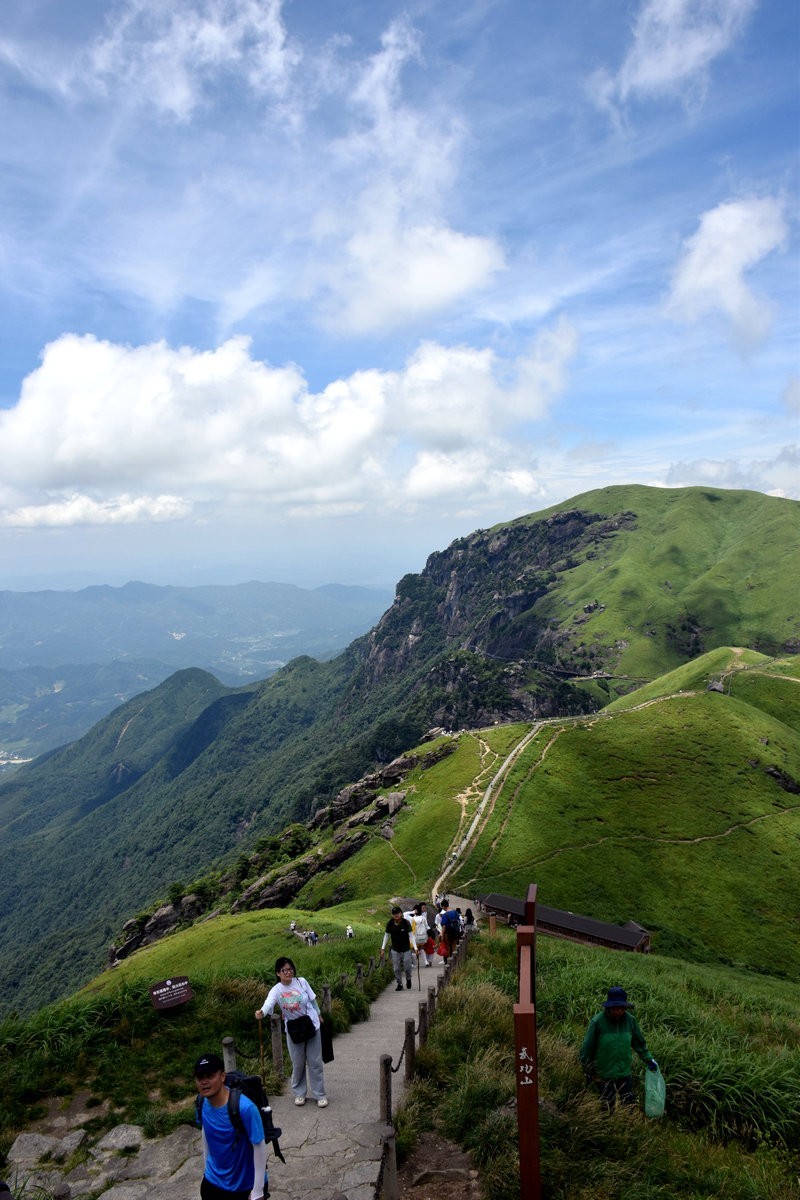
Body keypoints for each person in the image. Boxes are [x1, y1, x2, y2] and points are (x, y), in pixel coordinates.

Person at [255, 958, 328, 1108]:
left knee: (315, 1062)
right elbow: (269, 1003)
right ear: (278, 973)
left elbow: (313, 1000)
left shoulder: (301, 981)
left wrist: (319, 1014)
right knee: (298, 1063)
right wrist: (262, 1011)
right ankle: (299, 1094)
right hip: (294, 1030)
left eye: (290, 969)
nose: (288, 972)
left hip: (311, 1024)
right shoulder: (277, 990)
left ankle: (319, 1095)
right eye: (284, 970)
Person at [194, 1052, 267, 1200]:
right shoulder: (201, 1102)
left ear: (222, 1076)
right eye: (200, 1077)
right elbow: (206, 1131)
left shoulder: (244, 1108)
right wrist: (207, 1170)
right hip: (213, 1183)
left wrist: (258, 1190)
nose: (204, 1081)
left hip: (243, 1187)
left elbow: (259, 1145)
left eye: (210, 1076)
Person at [580, 986, 658, 1109]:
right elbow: (587, 1048)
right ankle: (606, 1125)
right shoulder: (598, 1022)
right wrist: (589, 1070)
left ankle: (626, 1126)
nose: (618, 1011)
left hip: (624, 1072)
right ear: (609, 1007)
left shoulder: (630, 1021)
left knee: (629, 1104)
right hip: (603, 1072)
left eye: (621, 1008)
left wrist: (649, 1060)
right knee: (608, 1104)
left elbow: (639, 1043)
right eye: (615, 1008)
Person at [379, 905, 418, 989]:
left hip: (406, 948)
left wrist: (415, 948)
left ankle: (408, 979)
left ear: (401, 914)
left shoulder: (406, 923)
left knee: (407, 966)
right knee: (396, 968)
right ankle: (399, 984)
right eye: (394, 914)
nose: (396, 915)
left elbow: (411, 936)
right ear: (392, 915)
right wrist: (382, 948)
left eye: (398, 913)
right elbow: (386, 936)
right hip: (395, 949)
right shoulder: (390, 923)